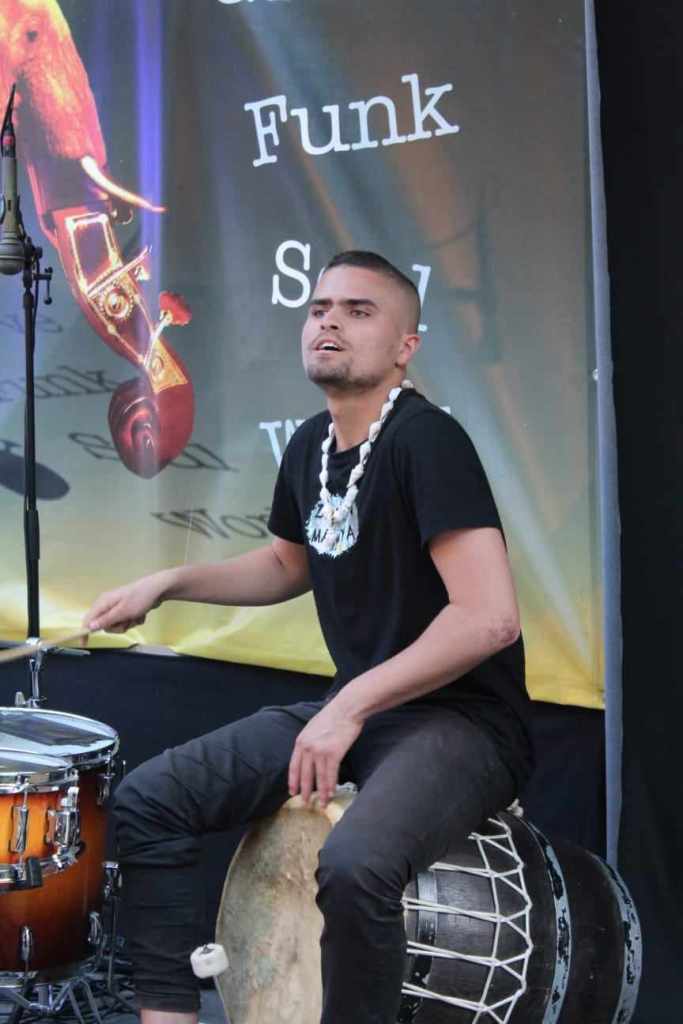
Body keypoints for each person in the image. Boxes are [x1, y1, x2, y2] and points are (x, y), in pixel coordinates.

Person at [84, 251, 533, 1024]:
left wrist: (348, 706)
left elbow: (488, 616)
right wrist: (167, 583)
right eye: (320, 307)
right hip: (363, 710)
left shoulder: (426, 441)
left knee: (354, 865)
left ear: (405, 345)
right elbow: (284, 565)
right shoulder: (310, 446)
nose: (330, 321)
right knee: (150, 800)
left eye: (359, 310)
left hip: (465, 722)